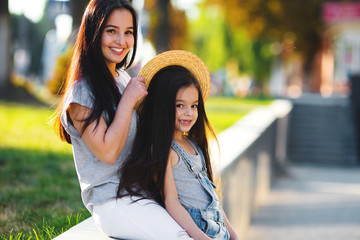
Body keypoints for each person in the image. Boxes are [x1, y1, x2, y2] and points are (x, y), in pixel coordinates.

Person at [53, 1, 193, 239]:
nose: (121, 41)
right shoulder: (82, 93)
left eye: (128, 32)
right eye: (111, 31)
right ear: (94, 32)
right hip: (112, 202)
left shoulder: (122, 79)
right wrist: (127, 101)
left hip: (142, 193)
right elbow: (108, 153)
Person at [117, 50, 239, 240]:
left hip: (217, 229)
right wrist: (199, 237)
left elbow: (211, 197)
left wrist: (232, 233)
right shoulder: (164, 150)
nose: (188, 113)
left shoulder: (194, 144)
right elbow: (171, 201)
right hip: (198, 230)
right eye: (179, 105)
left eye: (194, 105)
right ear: (162, 105)